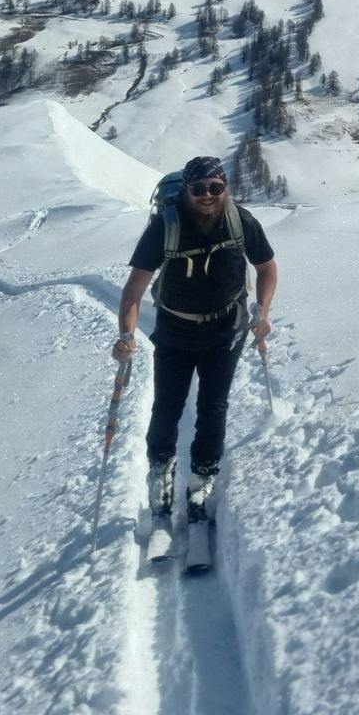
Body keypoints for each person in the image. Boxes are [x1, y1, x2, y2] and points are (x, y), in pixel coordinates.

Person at [112, 155, 278, 519]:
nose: (207, 195)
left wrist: (262, 311)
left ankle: (202, 477)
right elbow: (133, 291)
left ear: (226, 188)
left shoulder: (241, 221)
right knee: (167, 407)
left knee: (213, 408)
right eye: (199, 188)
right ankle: (161, 470)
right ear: (186, 190)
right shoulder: (164, 227)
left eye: (215, 188)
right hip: (175, 332)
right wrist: (127, 332)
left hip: (226, 332)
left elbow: (266, 268)